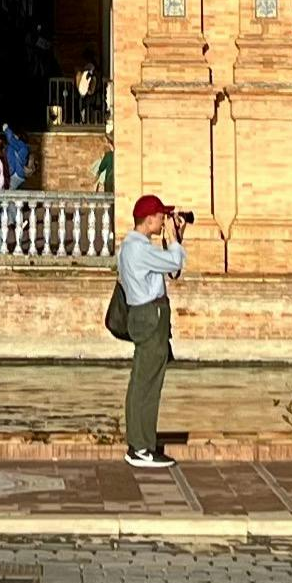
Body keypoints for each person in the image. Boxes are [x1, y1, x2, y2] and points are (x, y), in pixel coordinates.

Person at [115, 194, 189, 469]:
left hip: (142, 315)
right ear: (149, 219)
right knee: (148, 385)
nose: (163, 220)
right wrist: (175, 238)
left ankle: (138, 444)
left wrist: (173, 237)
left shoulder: (131, 246)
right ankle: (143, 448)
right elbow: (175, 264)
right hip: (150, 315)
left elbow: (169, 272)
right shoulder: (139, 248)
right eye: (161, 216)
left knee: (140, 382)